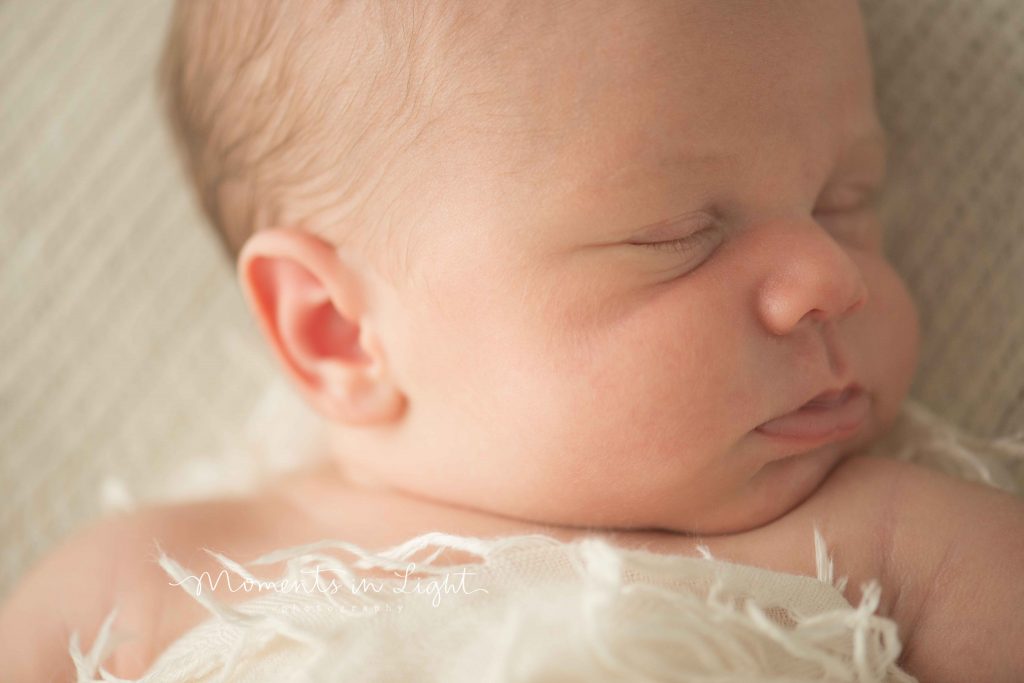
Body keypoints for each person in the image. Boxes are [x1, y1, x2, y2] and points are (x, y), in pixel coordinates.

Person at [2, 1, 1021, 680]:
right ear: (337, 330)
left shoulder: (878, 544)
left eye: (846, 201)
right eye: (676, 235)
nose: (831, 279)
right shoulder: (162, 577)